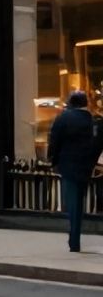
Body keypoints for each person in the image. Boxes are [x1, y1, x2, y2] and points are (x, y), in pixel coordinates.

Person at [47, 90, 101, 254]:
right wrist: (92, 163)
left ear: (71, 103)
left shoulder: (63, 118)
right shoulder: (93, 121)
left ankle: (74, 239)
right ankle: (74, 236)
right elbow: (97, 145)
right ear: (85, 103)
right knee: (79, 202)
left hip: (68, 166)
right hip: (85, 167)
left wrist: (53, 161)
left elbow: (54, 141)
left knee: (72, 204)